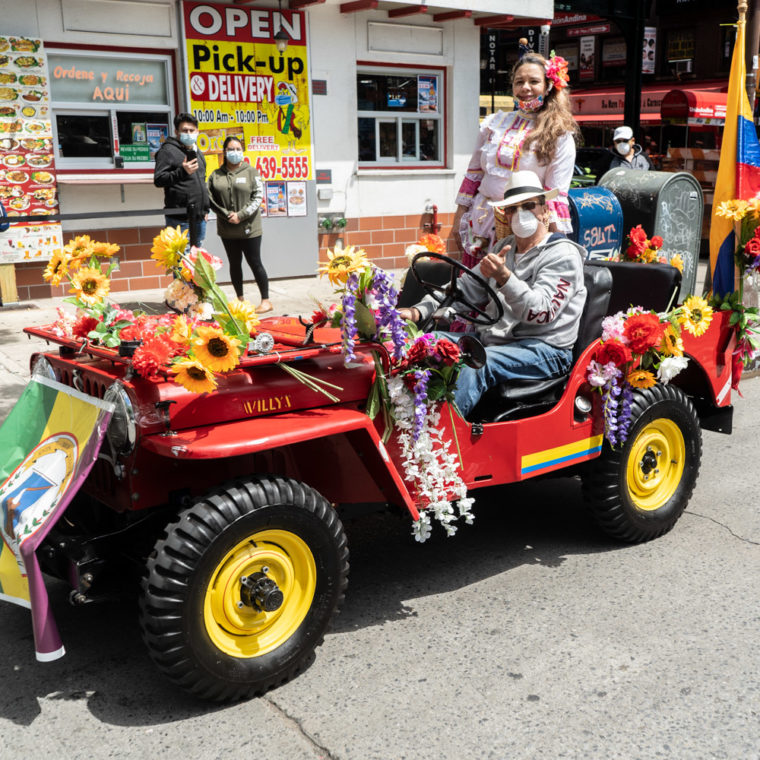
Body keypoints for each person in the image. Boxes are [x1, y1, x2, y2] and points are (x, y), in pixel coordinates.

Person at [400, 171, 587, 418]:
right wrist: (416, 311)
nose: (521, 214)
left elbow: (541, 312)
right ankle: (405, 422)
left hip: (545, 350)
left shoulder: (562, 255)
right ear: (506, 215)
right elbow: (464, 288)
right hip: (497, 342)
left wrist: (505, 278)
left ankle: (443, 442)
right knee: (422, 345)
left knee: (473, 364)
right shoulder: (503, 248)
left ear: (544, 211)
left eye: (529, 206)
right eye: (513, 208)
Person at [454, 52, 578, 268]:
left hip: (526, 226)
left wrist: (555, 245)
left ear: (549, 86)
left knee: (511, 291)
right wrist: (458, 220)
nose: (526, 88)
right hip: (482, 224)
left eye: (534, 81)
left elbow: (555, 193)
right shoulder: (494, 123)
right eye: (519, 82)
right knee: (474, 291)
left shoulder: (560, 134)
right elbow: (474, 173)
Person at [207, 136, 271, 312]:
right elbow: (210, 199)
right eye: (230, 149)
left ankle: (266, 300)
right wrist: (226, 214)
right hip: (227, 228)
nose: (234, 152)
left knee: (255, 262)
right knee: (234, 263)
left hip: (250, 228)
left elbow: (258, 197)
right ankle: (240, 300)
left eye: (238, 149)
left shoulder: (251, 172)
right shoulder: (215, 175)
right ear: (224, 152)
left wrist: (241, 215)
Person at [153, 113, 210, 247]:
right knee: (181, 260)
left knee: (196, 259)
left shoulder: (198, 152)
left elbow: (202, 181)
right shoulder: (167, 151)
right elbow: (159, 179)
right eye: (185, 130)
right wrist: (182, 172)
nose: (189, 133)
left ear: (197, 131)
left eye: (192, 130)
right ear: (177, 132)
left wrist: (205, 210)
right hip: (180, 218)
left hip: (199, 217)